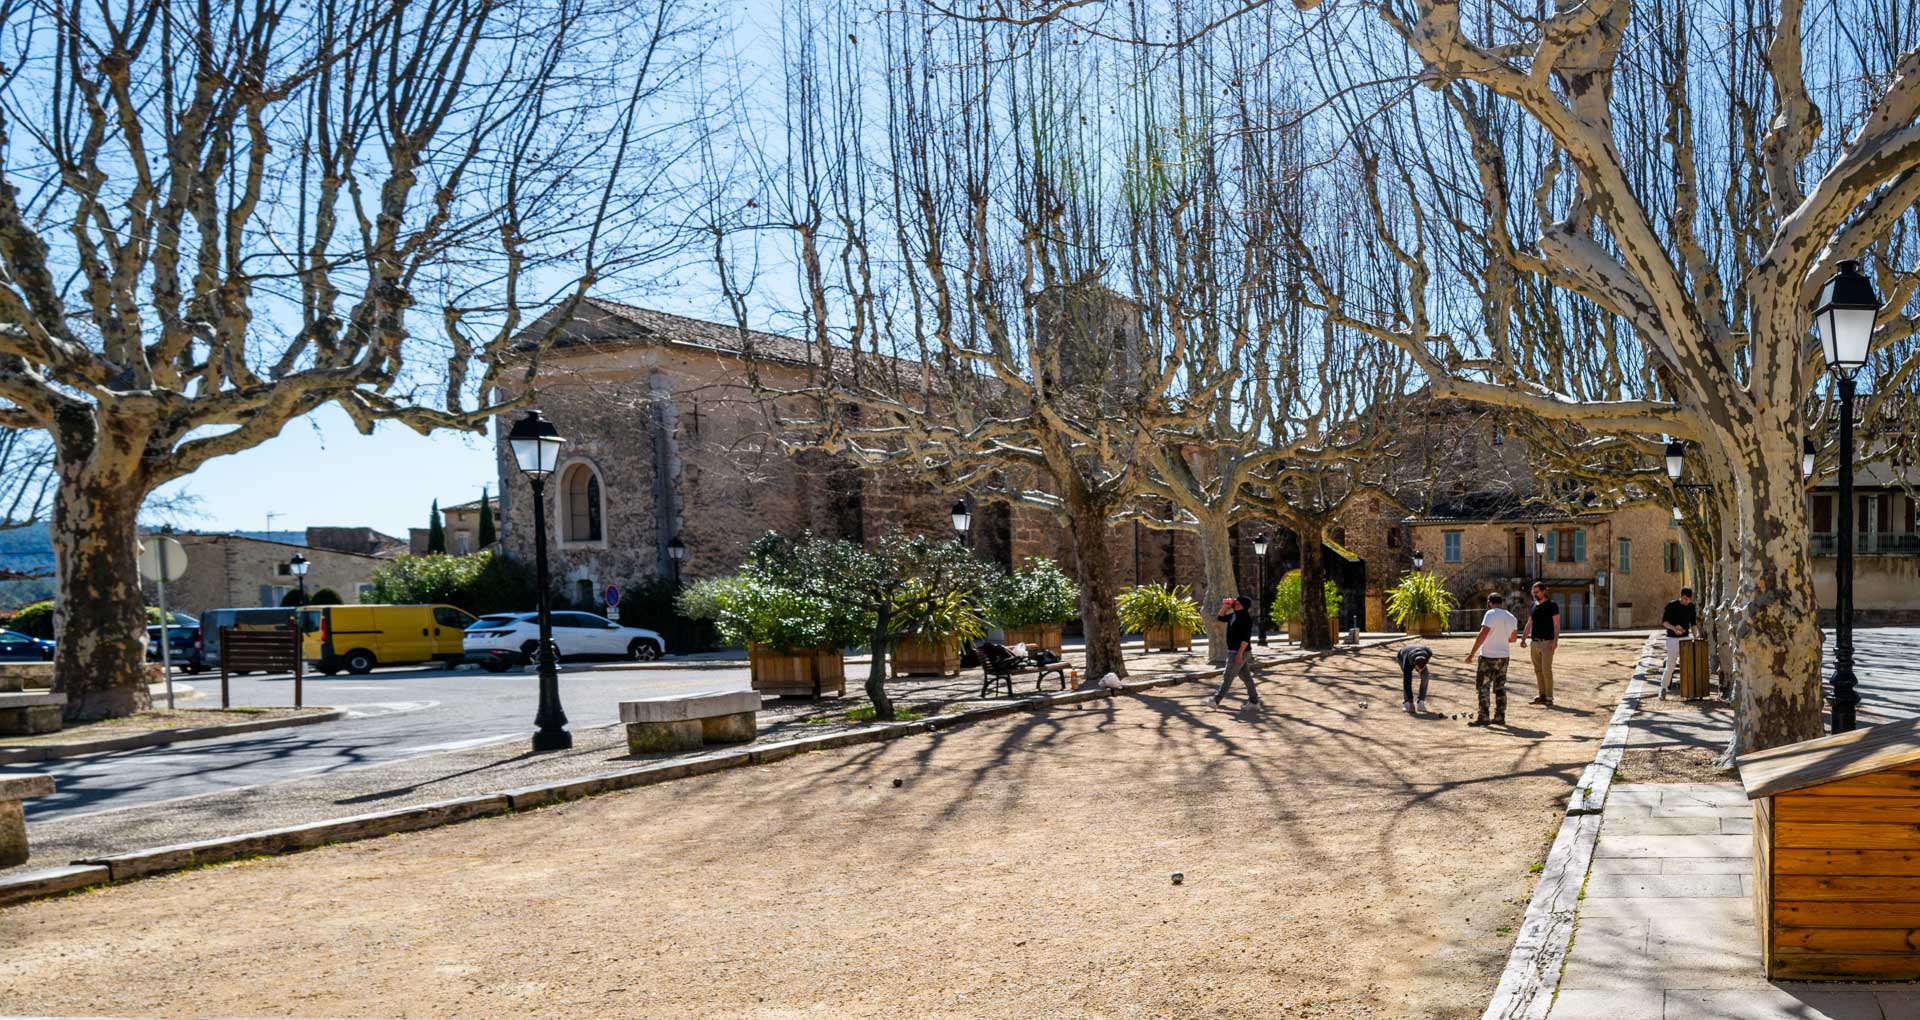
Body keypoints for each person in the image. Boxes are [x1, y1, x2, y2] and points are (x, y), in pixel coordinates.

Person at [1464, 592, 1520, 727]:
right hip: (1504, 656)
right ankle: (1500, 716)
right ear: (1502, 602)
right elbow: (1513, 639)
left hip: (1488, 656)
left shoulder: (1490, 614)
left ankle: (1483, 717)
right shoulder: (1511, 617)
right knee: (1500, 687)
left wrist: (1472, 653)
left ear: (1489, 602)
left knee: (1483, 687)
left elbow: (1483, 634)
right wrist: (1501, 638)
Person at [1208, 595, 1260, 707]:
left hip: (1239, 651)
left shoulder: (1246, 618)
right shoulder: (1234, 615)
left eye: (1237, 601)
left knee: (1228, 676)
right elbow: (1220, 617)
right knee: (1246, 677)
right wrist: (1225, 606)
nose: (1234, 601)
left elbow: (1245, 639)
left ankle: (1215, 700)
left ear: (1242, 605)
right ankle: (1254, 701)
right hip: (1233, 650)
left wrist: (1240, 654)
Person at [1518, 582, 1560, 707]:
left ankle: (1549, 697)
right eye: (1533, 592)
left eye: (1536, 592)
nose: (1534, 594)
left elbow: (1557, 625)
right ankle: (1541, 695)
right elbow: (1529, 623)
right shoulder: (1534, 606)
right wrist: (1523, 638)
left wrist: (1555, 641)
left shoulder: (1552, 605)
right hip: (1534, 642)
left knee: (1546, 670)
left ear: (1543, 591)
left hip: (1547, 642)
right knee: (1538, 670)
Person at [1657, 587, 1699, 699]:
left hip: (1685, 638)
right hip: (1672, 639)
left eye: (1688, 599)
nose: (1687, 602)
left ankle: (1689, 691)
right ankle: (1663, 688)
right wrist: (1674, 628)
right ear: (1681, 596)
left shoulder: (1691, 606)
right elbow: (1664, 622)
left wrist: (1697, 637)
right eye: (1685, 599)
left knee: (1687, 665)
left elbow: (1693, 624)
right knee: (1671, 665)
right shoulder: (1671, 605)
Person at [1398, 644, 1433, 715]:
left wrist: (1421, 668)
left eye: (1421, 669)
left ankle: (1421, 701)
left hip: (1419, 655)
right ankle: (1406, 702)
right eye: (1417, 669)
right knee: (1407, 680)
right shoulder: (1407, 663)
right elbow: (1407, 683)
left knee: (1425, 676)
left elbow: (1423, 663)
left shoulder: (1428, 653)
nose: (1419, 671)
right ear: (1414, 664)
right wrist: (1411, 703)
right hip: (1403, 655)